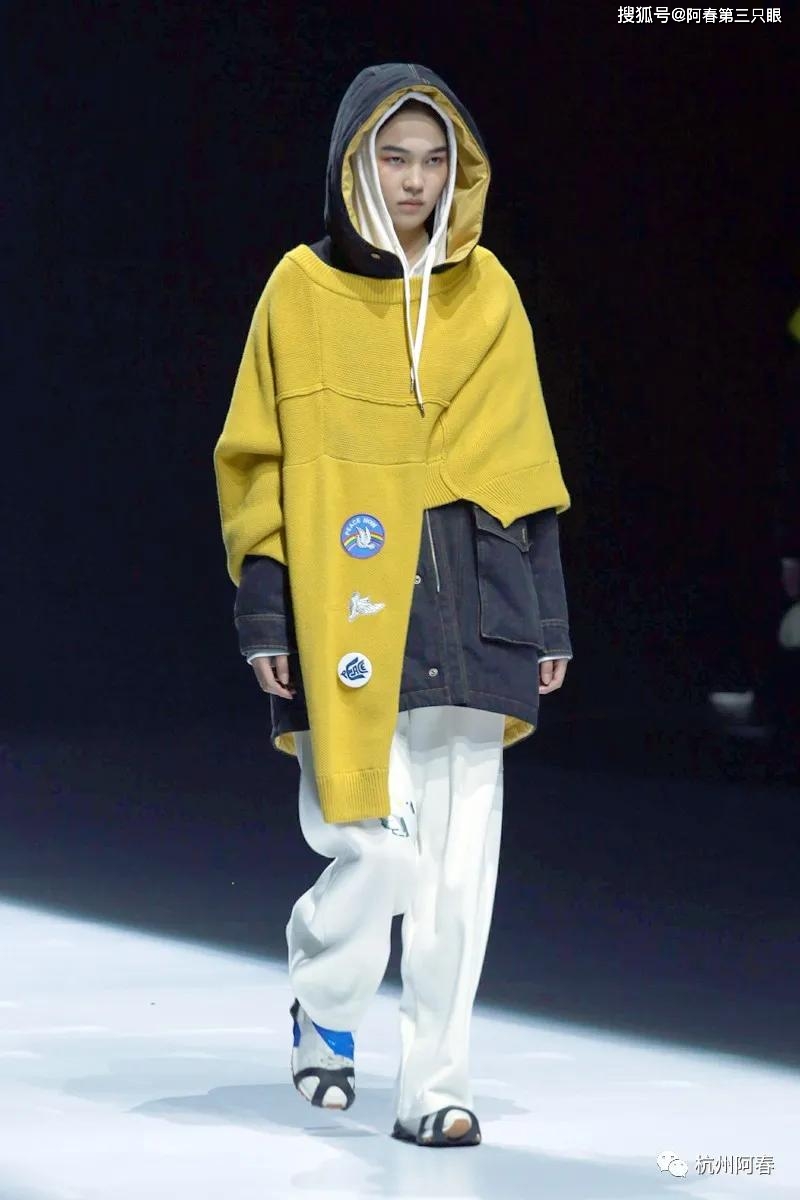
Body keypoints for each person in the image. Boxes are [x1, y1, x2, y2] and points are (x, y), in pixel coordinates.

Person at [213, 62, 573, 1148]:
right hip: (349, 609)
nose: (414, 180)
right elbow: (257, 461)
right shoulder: (298, 291)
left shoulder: (488, 293)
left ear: (458, 172)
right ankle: (324, 999)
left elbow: (527, 469)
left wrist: (548, 619)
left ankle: (435, 1087)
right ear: (352, 164)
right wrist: (266, 611)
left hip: (476, 605)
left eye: (433, 160)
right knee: (376, 850)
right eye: (393, 156)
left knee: (459, 876)